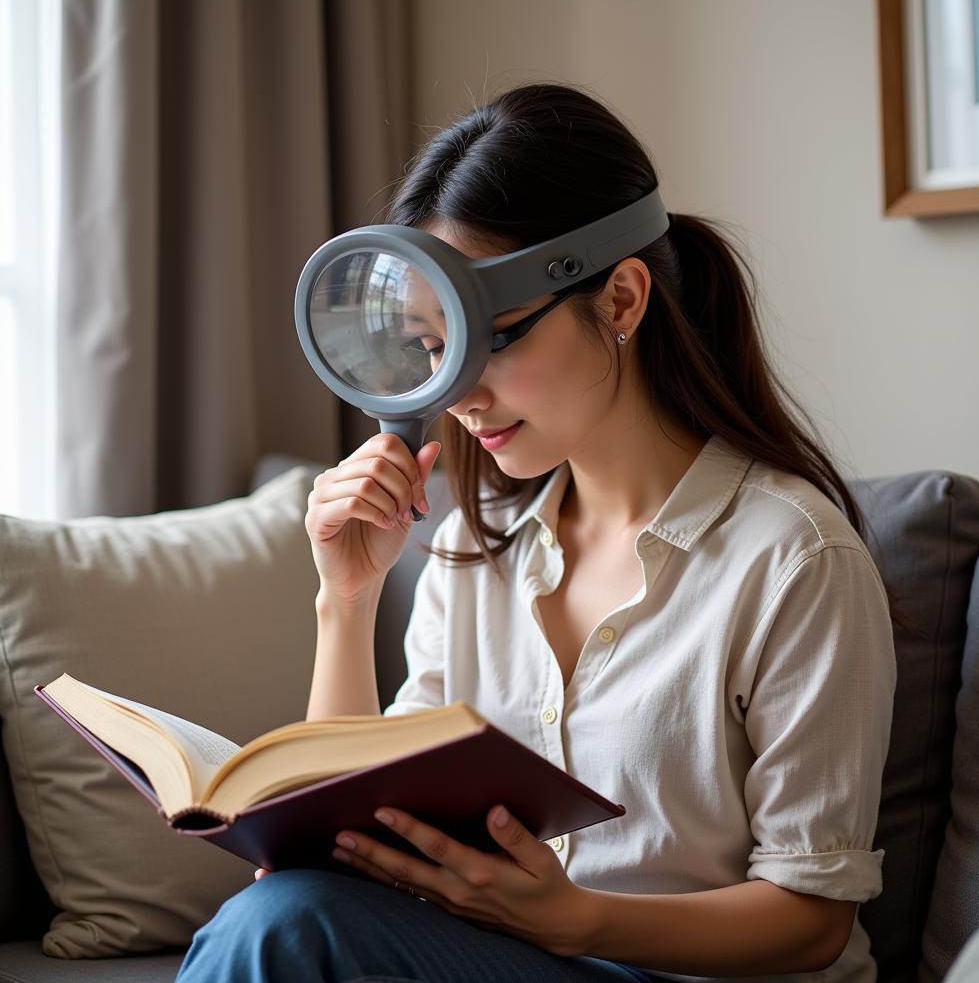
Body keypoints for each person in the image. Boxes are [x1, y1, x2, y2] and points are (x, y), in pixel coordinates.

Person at [175, 82, 896, 983]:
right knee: (284, 911)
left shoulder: (794, 559)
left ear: (623, 299)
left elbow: (813, 920)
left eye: (496, 337)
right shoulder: (474, 551)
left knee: (282, 929)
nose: (458, 391)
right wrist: (346, 600)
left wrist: (577, 920)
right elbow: (336, 845)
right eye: (434, 350)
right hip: (512, 963)